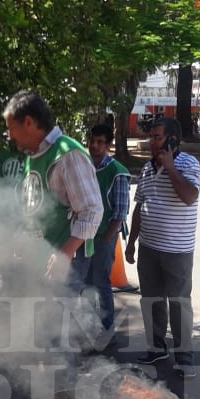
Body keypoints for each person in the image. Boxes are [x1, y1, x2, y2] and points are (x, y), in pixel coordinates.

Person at [125, 117, 200, 379]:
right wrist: (132, 241)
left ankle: (185, 357)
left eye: (158, 137)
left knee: (179, 304)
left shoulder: (189, 164)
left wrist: (170, 168)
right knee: (151, 301)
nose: (152, 142)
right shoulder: (146, 169)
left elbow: (190, 197)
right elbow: (139, 207)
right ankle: (156, 348)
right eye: (151, 137)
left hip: (177, 250)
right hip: (148, 248)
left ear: (173, 140)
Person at [3, 90, 103, 286]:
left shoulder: (68, 154)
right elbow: (32, 207)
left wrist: (63, 255)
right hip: (40, 258)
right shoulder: (34, 155)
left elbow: (92, 210)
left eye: (11, 128)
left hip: (64, 261)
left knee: (63, 314)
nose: (9, 135)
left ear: (29, 122)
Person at [72, 124, 130, 348]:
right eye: (92, 141)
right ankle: (88, 327)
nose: (94, 146)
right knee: (84, 282)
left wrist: (106, 240)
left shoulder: (118, 171)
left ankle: (107, 331)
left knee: (101, 282)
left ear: (108, 145)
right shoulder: (83, 167)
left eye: (100, 142)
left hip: (104, 236)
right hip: (83, 235)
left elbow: (120, 213)